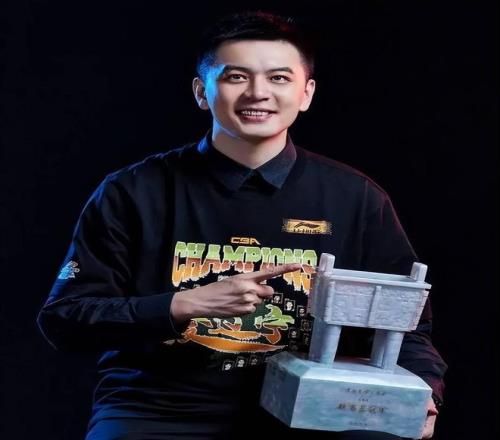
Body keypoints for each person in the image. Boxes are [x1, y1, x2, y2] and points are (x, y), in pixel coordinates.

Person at [37, 11, 447, 440]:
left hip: (311, 410)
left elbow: (411, 326)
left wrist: (424, 392)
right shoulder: (134, 190)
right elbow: (66, 319)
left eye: (279, 78)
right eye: (236, 77)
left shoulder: (356, 197)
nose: (258, 93)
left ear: (306, 93)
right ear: (202, 91)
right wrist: (182, 305)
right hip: (160, 408)